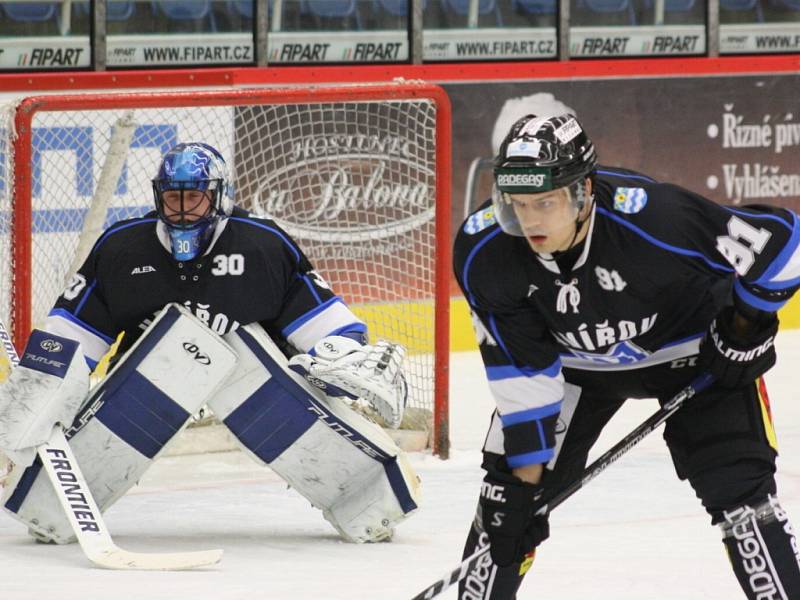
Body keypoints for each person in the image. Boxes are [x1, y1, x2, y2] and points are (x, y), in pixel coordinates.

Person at [454, 114, 800, 599]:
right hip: (573, 368)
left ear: (583, 192)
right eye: (517, 204)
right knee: (503, 509)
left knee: (741, 495)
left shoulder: (656, 220)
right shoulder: (485, 251)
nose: (528, 220)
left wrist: (746, 326)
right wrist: (521, 489)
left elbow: (785, 245)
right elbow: (524, 374)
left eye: (545, 203)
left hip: (691, 354)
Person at [0, 142, 416, 545]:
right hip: (147, 376)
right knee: (170, 353)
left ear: (219, 197)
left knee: (238, 346)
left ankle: (369, 500)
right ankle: (49, 506)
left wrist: (343, 354)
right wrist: (40, 386)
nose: (181, 209)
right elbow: (72, 332)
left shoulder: (263, 244)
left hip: (249, 373)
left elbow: (324, 322)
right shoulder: (122, 247)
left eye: (194, 198)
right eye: (172, 198)